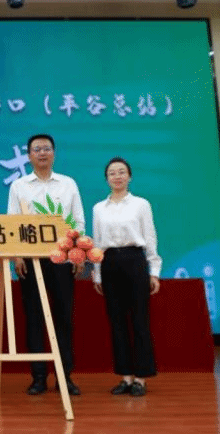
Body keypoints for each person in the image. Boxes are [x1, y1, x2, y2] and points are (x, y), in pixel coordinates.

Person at [7, 133, 84, 396]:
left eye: (47, 148)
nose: (42, 153)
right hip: (31, 260)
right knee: (34, 318)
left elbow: (78, 221)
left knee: (64, 316)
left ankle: (65, 376)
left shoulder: (68, 184)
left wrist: (77, 253)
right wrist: (17, 256)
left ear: (54, 153)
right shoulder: (19, 186)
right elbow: (13, 222)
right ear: (29, 155)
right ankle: (38, 376)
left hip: (62, 257)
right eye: (37, 149)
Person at [91, 157, 161, 397]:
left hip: (135, 261)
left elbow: (150, 237)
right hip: (109, 263)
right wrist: (97, 274)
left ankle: (141, 378)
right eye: (112, 173)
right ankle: (126, 377)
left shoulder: (141, 204)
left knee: (140, 320)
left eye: (122, 172)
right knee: (117, 322)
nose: (117, 176)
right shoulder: (98, 208)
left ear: (129, 176)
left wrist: (154, 271)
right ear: (106, 179)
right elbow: (97, 242)